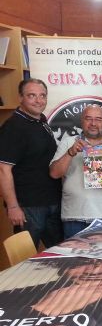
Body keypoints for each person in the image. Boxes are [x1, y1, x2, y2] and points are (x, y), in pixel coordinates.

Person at [0, 78, 63, 248]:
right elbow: (3, 169)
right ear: (21, 98)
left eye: (42, 95)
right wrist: (13, 207)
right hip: (28, 206)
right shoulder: (13, 127)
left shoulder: (41, 121)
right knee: (25, 256)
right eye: (32, 95)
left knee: (60, 255)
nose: (38, 100)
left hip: (51, 201)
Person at [49, 105, 102, 238]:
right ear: (81, 121)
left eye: (98, 119)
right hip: (74, 217)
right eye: (88, 119)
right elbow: (54, 173)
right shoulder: (68, 142)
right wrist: (71, 152)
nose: (93, 123)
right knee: (74, 252)